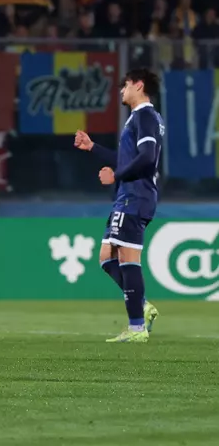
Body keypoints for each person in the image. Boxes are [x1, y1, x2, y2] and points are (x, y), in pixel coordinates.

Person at [74, 68, 162, 343]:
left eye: (125, 85)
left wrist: (117, 175)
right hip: (129, 195)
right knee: (106, 256)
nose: (122, 91)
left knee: (127, 258)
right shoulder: (139, 119)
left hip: (135, 195)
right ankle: (142, 306)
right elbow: (128, 158)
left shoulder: (145, 116)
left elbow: (147, 157)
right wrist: (93, 148)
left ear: (138, 85)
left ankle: (137, 327)